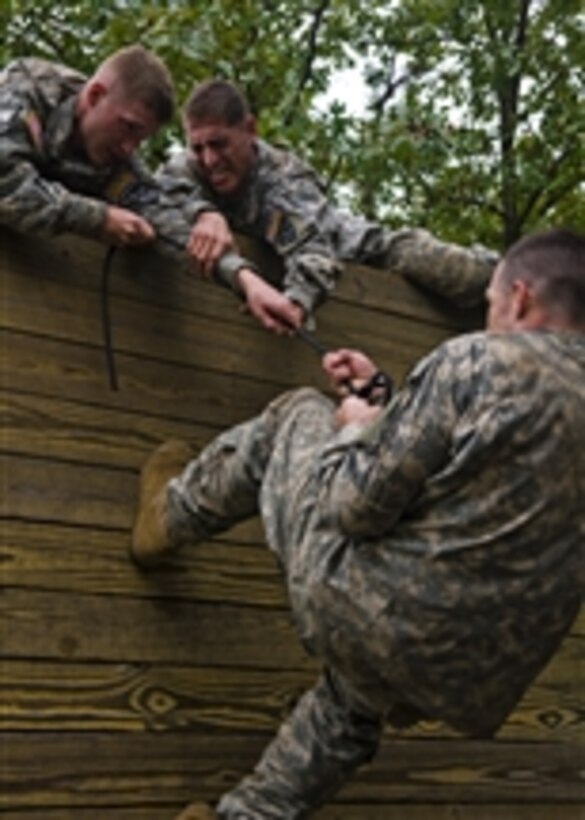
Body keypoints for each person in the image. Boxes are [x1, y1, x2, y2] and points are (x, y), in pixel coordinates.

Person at [130, 227, 585, 819]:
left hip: (368, 608)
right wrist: (382, 400)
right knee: (352, 702)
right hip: (469, 678)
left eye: (492, 304)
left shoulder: (479, 358)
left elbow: (355, 506)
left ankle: (165, 516)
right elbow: (468, 488)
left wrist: (349, 424)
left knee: (297, 414)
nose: (490, 318)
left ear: (520, 298)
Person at [157, 77, 500, 333]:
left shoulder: (285, 181)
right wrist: (205, 214)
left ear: (249, 130)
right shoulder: (187, 168)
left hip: (359, 249)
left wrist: (296, 301)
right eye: (198, 148)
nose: (210, 159)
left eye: (219, 144)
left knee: (456, 272)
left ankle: (524, 279)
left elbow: (314, 252)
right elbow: (159, 191)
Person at [0, 47, 257, 294]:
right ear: (95, 96)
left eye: (141, 140)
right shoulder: (27, 89)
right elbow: (7, 183)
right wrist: (99, 219)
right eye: (129, 128)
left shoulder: (118, 162)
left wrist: (243, 278)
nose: (128, 148)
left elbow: (162, 215)